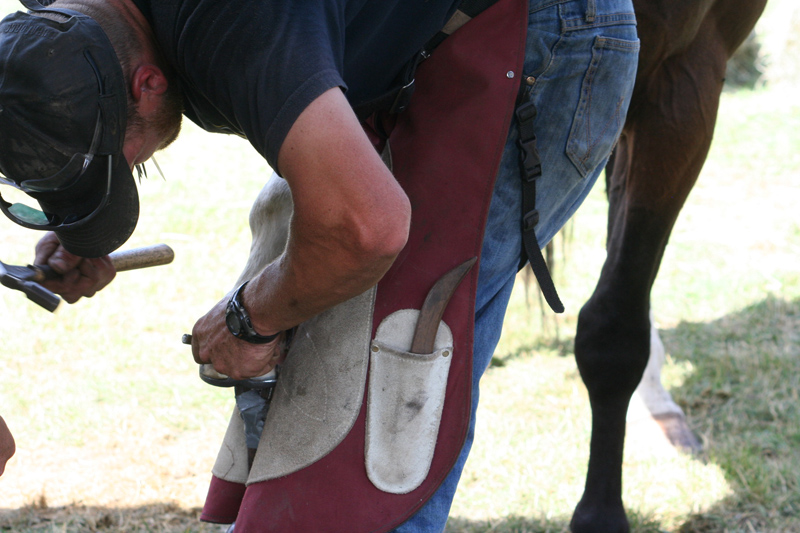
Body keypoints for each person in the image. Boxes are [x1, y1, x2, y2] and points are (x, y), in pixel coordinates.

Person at [0, 0, 639, 530]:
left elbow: (366, 228)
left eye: (125, 157)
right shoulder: (61, 27)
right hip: (419, 45)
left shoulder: (231, 23)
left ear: (148, 83)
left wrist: (251, 318)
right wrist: (78, 220)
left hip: (539, 37)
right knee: (317, 322)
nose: (136, 163)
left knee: (387, 388)